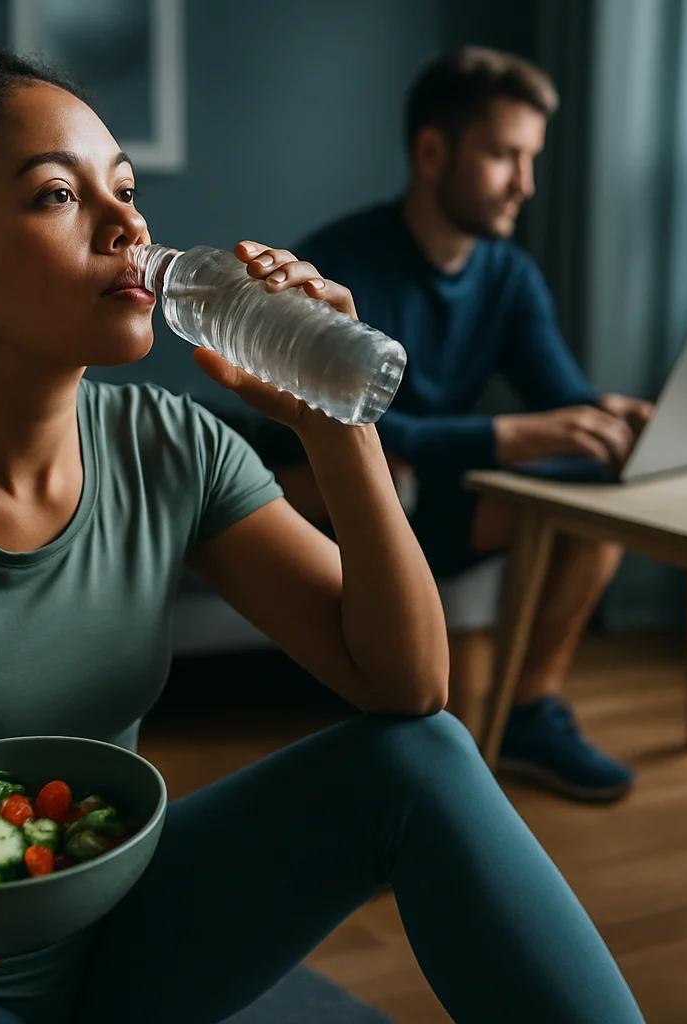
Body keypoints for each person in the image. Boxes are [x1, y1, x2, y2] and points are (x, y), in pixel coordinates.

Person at [0, 47, 643, 1024]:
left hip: (114, 945)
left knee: (420, 761)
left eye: (123, 186)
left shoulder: (174, 447)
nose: (127, 222)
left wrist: (339, 425)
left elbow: (408, 687)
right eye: (58, 195)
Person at [270, 47, 654, 805]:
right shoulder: (337, 267)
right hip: (349, 493)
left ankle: (529, 710)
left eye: (531, 158)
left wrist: (609, 416)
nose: (526, 183)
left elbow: (563, 396)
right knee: (400, 472)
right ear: (432, 152)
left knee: (596, 496)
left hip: (447, 489)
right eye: (506, 155)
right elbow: (354, 430)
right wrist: (511, 436)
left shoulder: (508, 274)